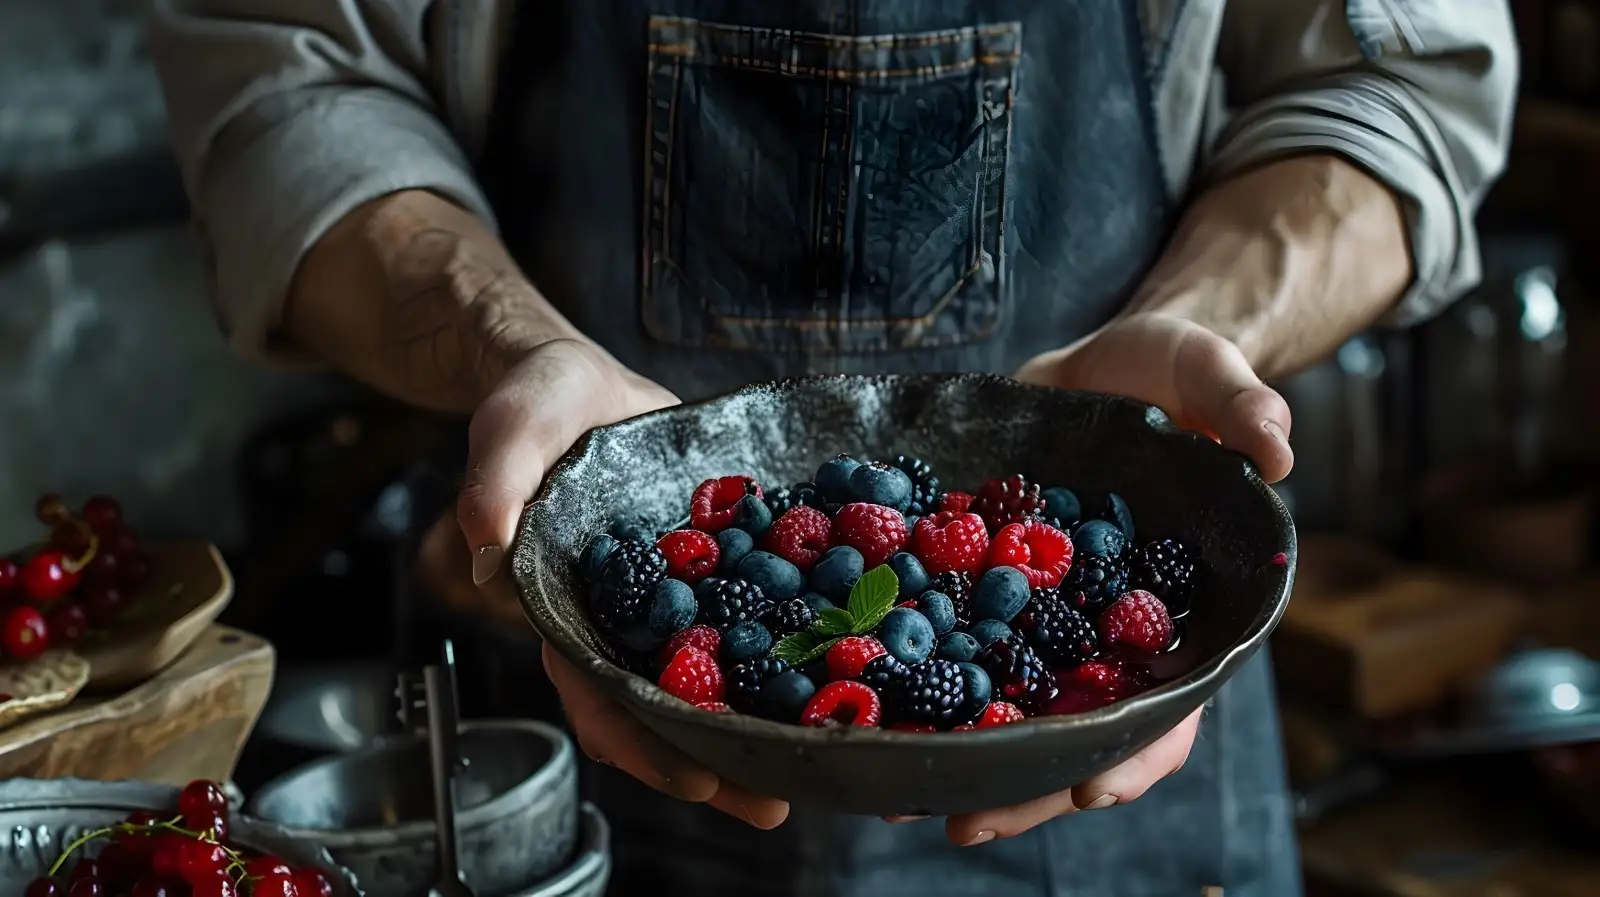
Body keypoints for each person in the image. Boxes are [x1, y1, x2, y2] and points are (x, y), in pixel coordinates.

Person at [149, 1, 1515, 894]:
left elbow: (1400, 87)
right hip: (569, 735)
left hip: (1123, 773)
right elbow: (286, 86)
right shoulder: (752, 590)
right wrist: (511, 348)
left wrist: (1196, 328)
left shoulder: (1033, 589)